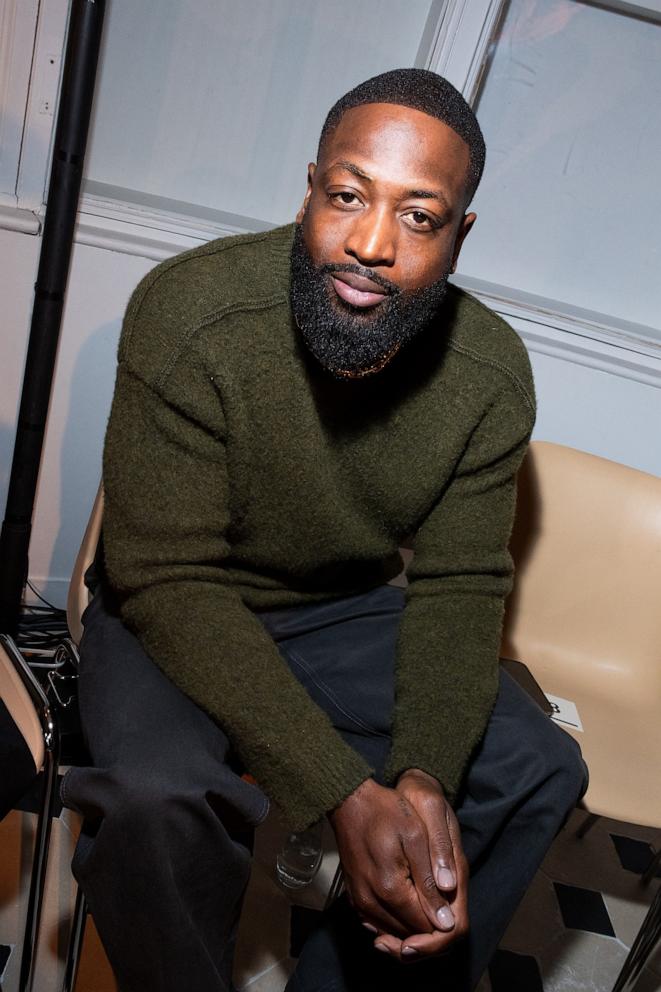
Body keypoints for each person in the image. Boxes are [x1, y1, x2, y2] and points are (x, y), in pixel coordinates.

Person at [61, 69, 587, 992]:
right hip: (169, 606)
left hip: (335, 609)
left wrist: (421, 775)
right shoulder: (192, 312)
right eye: (346, 196)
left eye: (418, 217)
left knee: (534, 765)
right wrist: (339, 791)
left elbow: (461, 587)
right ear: (309, 187)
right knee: (157, 799)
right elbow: (164, 573)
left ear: (459, 236)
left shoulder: (489, 374)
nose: (370, 244)